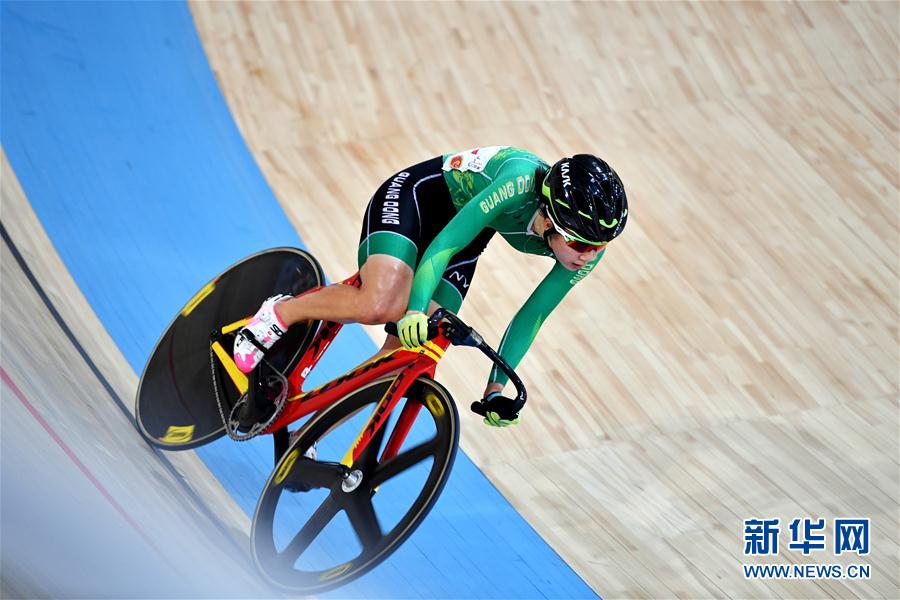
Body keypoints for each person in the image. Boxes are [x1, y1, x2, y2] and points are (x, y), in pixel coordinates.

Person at [233, 147, 627, 427]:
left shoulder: (586, 253)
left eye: (598, 247)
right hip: (417, 200)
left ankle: (312, 425)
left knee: (410, 353)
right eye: (579, 243)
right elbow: (445, 244)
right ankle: (280, 312)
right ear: (550, 219)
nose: (587, 257)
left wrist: (495, 388)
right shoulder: (519, 180)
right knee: (382, 305)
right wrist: (415, 308)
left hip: (470, 235)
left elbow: (533, 315)